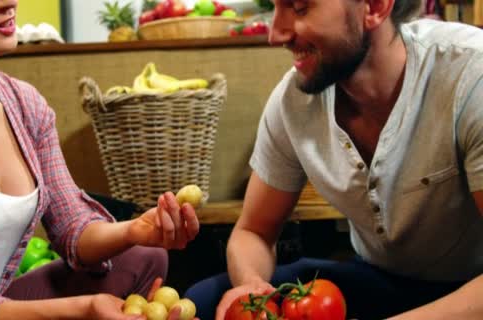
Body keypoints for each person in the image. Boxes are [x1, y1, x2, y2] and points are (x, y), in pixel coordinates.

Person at [0, 1, 200, 319]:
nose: (8, 2)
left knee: (145, 256)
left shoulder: (24, 103)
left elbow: (73, 227)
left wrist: (137, 230)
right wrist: (84, 310)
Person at [184, 0, 483, 319]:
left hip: (469, 290)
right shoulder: (293, 101)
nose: (276, 34)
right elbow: (254, 232)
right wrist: (252, 287)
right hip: (378, 278)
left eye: (299, 8)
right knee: (203, 299)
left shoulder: (469, 75)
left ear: (374, 7)